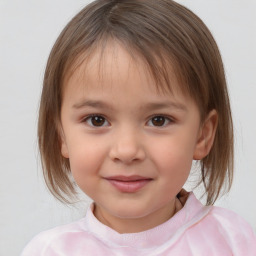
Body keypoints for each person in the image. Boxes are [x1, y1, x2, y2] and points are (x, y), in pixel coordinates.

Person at [21, 0, 256, 255]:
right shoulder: (50, 251)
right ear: (61, 135)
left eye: (158, 120)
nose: (127, 150)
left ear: (203, 135)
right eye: (97, 120)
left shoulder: (232, 239)